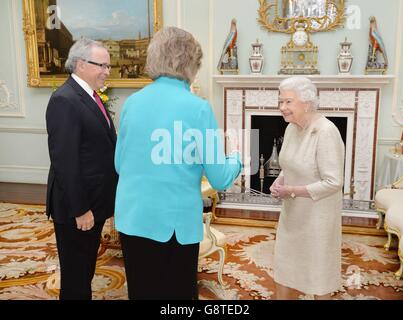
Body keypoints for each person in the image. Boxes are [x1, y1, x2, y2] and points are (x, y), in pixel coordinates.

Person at [114, 26, 242, 300]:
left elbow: (119, 164)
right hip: (172, 225)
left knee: (142, 291)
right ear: (191, 65)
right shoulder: (197, 107)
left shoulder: (132, 102)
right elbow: (219, 178)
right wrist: (238, 159)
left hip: (132, 217)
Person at [45, 38, 118, 300]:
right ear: (80, 64)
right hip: (77, 207)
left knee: (85, 269)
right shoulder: (65, 100)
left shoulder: (90, 96)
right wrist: (80, 209)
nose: (107, 71)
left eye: (109, 66)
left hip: (93, 203)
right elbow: (64, 161)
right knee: (76, 276)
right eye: (102, 65)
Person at [269, 76, 345, 300]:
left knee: (316, 274)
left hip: (317, 218)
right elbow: (292, 162)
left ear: (307, 102)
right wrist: (280, 180)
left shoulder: (326, 132)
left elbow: (333, 182)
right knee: (285, 267)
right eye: (280, 101)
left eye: (288, 102)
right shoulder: (292, 128)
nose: (282, 107)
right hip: (292, 214)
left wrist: (291, 190)